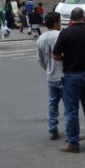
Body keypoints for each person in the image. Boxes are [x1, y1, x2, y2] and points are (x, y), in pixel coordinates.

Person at [52, 7, 85, 153]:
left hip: (71, 76)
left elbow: (56, 55)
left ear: (71, 19)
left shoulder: (65, 33)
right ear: (83, 17)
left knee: (71, 111)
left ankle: (73, 143)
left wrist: (67, 59)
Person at [37, 11, 63, 140]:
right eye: (59, 21)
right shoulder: (61, 35)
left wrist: (48, 68)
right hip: (64, 74)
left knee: (53, 103)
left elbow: (40, 60)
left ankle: (52, 128)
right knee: (69, 105)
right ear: (56, 23)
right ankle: (70, 130)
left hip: (50, 75)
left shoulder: (41, 38)